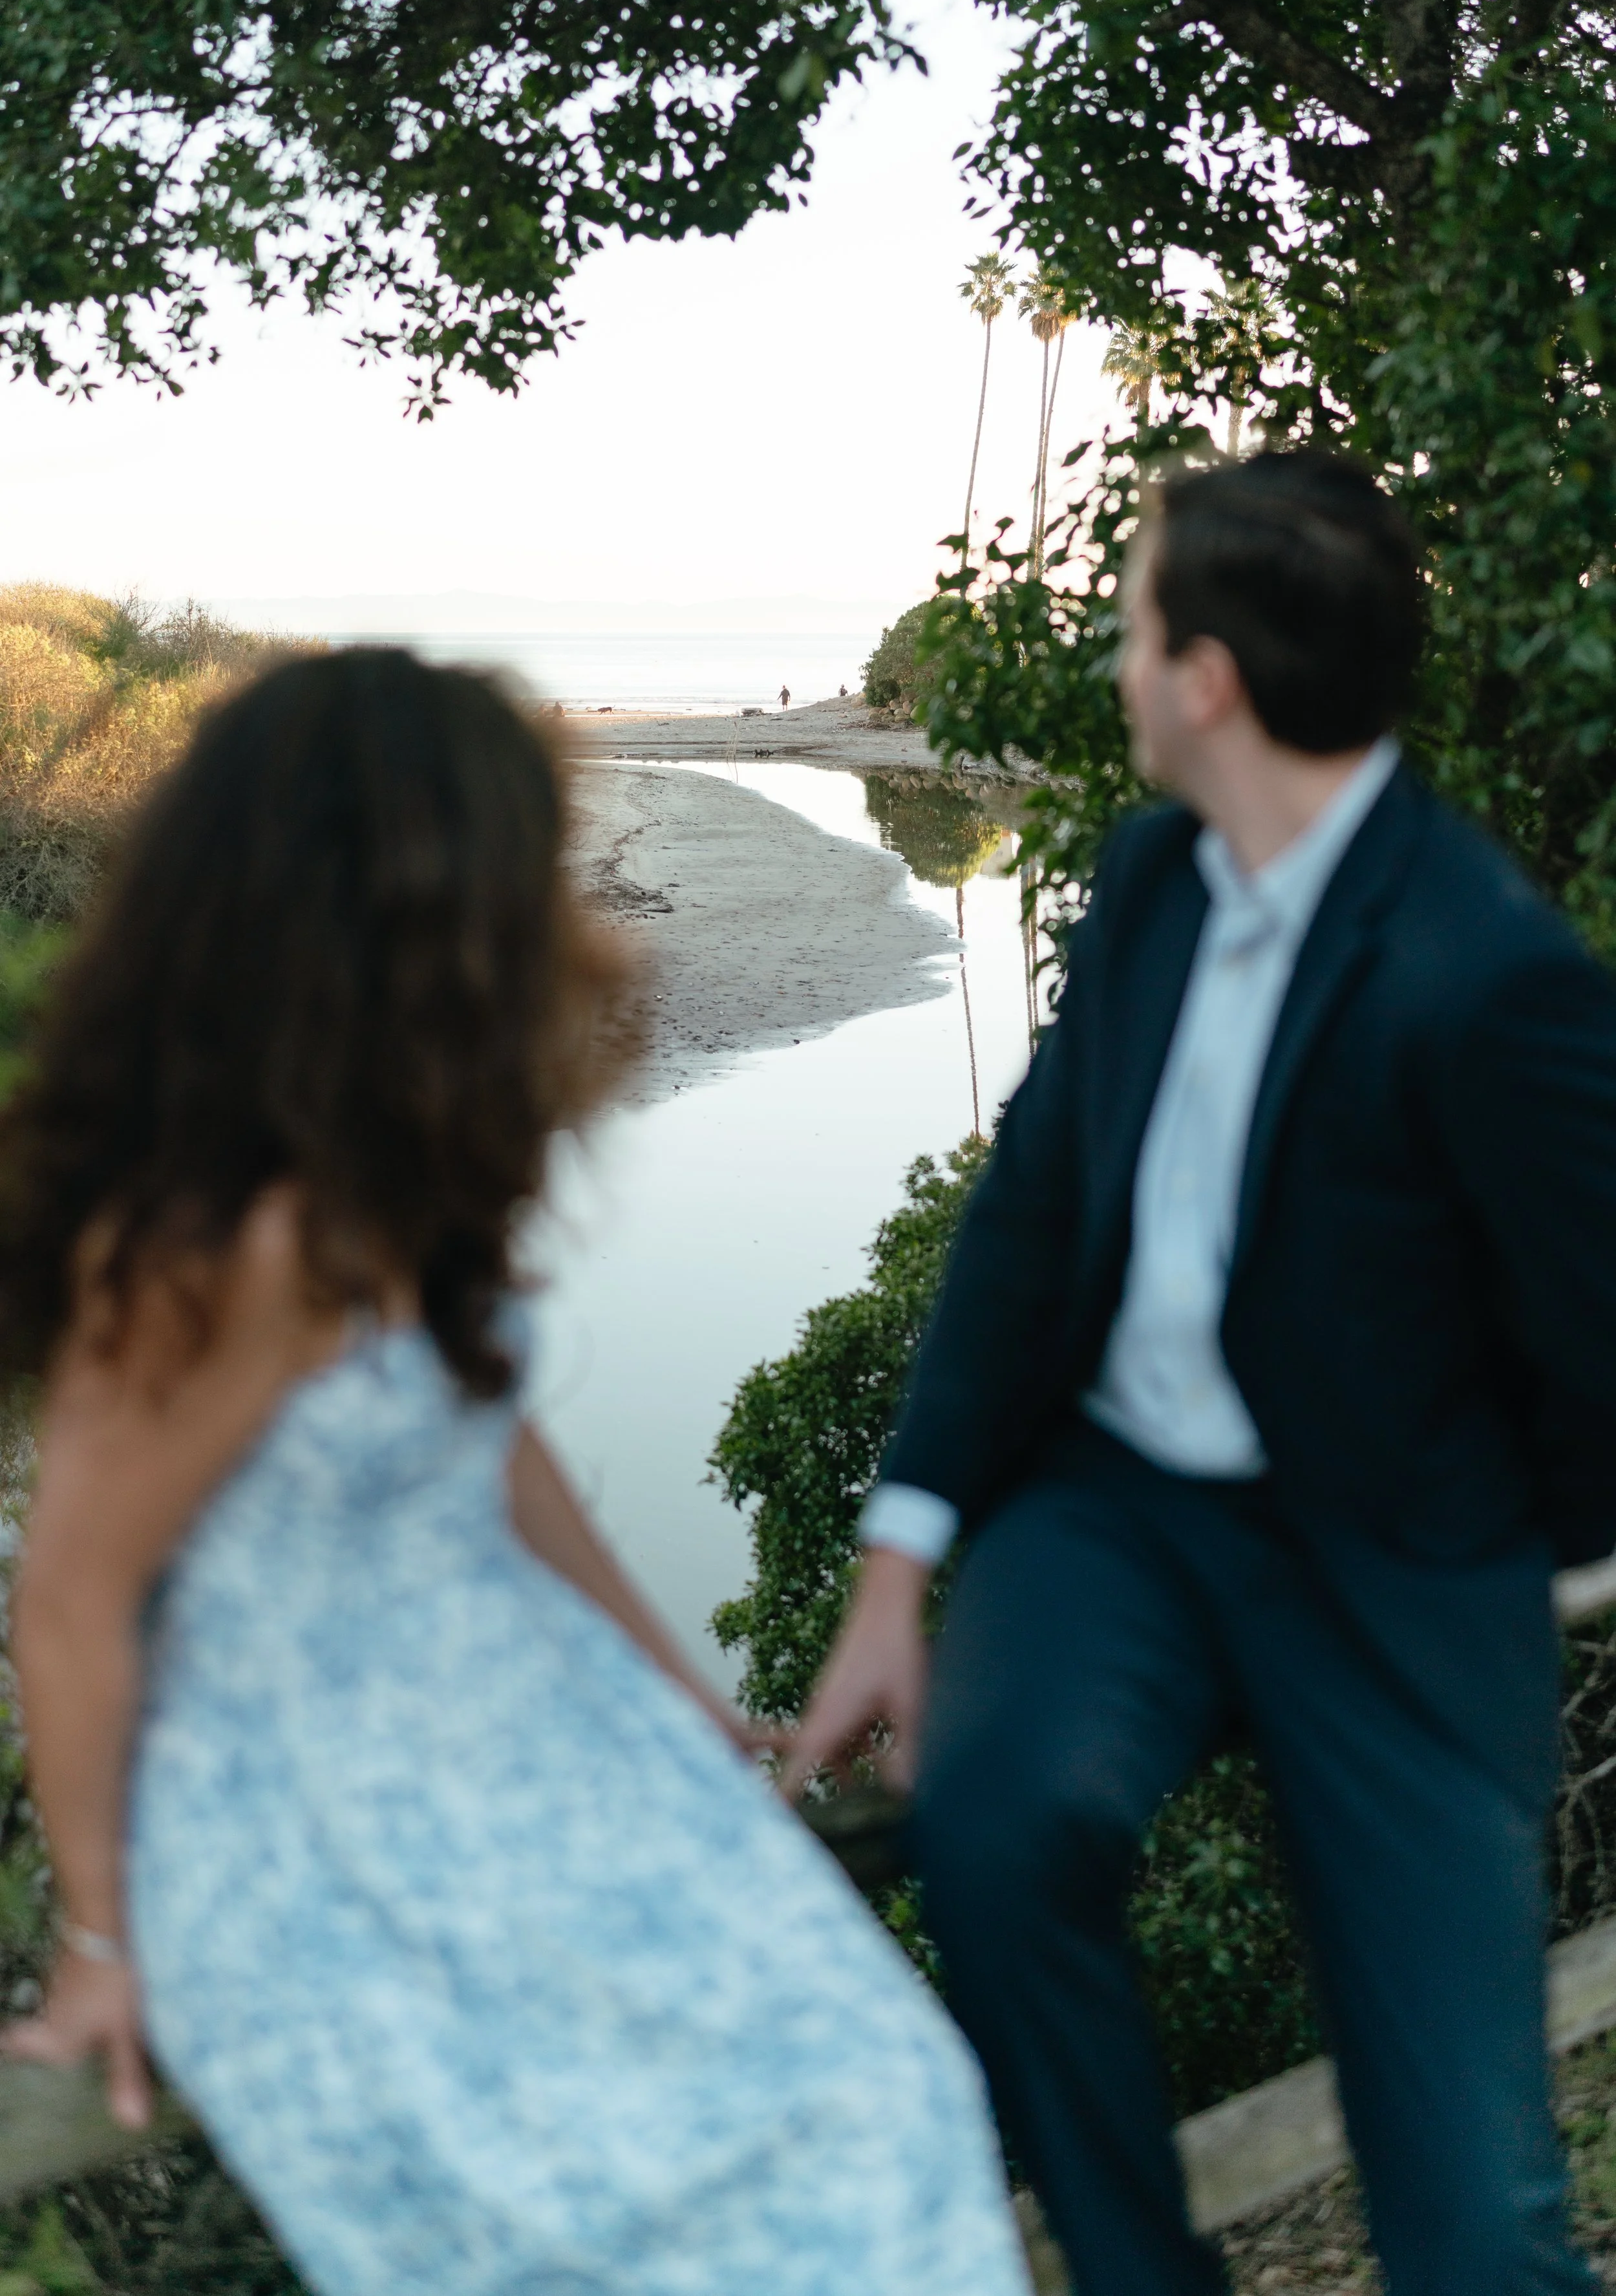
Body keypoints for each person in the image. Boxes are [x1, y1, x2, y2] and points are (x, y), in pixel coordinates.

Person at [0, 650, 1030, 2296]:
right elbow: (68, 1599)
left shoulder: (375, 1156)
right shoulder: (221, 1233)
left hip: (529, 1743)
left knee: (876, 2083)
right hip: (333, 1832)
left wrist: (677, 1694)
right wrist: (103, 1940)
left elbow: (493, 1447)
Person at [789, 453, 1616, 2296]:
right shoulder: (1154, 871)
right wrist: (902, 1552)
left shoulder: (1487, 968)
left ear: (1209, 682)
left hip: (1395, 1571)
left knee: (1475, 2222)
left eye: (1133, 631)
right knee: (994, 1828)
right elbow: (1030, 1210)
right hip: (1120, 1517)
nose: (1114, 666)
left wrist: (1481, 1541)